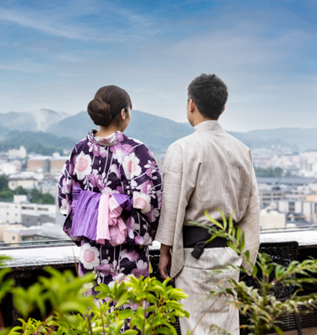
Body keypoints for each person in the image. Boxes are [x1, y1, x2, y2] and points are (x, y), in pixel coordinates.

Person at [156, 74, 260, 335]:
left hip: (194, 254)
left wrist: (165, 251)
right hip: (229, 254)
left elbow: (171, 206)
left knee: (195, 326)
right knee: (226, 326)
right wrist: (246, 256)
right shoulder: (242, 149)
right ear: (222, 108)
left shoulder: (182, 148)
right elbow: (252, 207)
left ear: (191, 104)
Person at [57, 85, 162, 291]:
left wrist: (86, 226)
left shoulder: (80, 149)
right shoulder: (136, 150)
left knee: (95, 316)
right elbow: (152, 201)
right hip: (129, 253)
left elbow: (65, 199)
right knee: (130, 314)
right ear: (123, 113)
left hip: (90, 251)